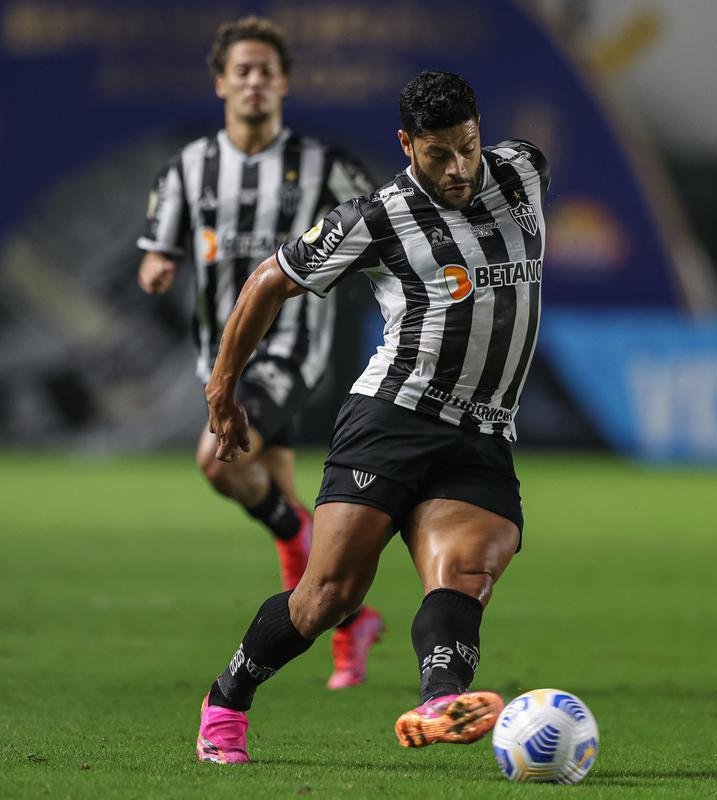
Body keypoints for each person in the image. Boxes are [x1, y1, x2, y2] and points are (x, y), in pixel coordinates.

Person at [192, 69, 549, 764]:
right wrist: (223, 387)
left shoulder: (524, 170)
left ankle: (439, 702)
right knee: (327, 596)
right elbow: (269, 280)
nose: (457, 168)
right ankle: (226, 700)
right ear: (406, 144)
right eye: (437, 154)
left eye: (467, 148)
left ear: (481, 132)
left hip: (482, 432)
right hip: (392, 419)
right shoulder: (376, 219)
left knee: (465, 575)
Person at [137, 17, 383, 691]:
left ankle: (326, 582)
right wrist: (157, 264)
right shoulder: (188, 167)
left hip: (293, 348)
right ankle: (349, 623)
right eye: (241, 71)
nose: (254, 82)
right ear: (221, 83)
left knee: (217, 460)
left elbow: (383, 220)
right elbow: (158, 243)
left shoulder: (324, 165)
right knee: (281, 502)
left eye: (265, 71)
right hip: (220, 355)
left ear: (284, 83)